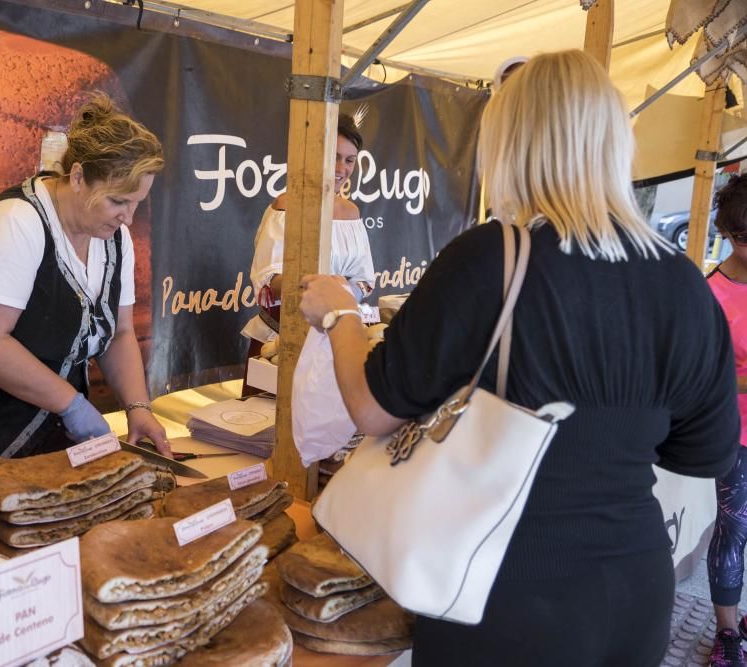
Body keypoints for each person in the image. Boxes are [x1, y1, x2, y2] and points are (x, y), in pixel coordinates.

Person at [299, 50, 740, 666]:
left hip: (501, 592)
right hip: (633, 594)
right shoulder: (684, 283)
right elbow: (707, 453)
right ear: (614, 140)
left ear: (510, 140)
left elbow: (374, 410)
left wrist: (340, 313)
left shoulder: (492, 258)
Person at [0, 93, 171, 458]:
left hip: (47, 431)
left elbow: (119, 332)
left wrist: (138, 408)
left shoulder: (114, 238)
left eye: (137, 202)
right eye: (118, 201)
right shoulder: (17, 222)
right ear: (78, 176)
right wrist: (72, 405)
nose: (129, 217)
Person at [241, 114, 374, 388]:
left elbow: (365, 279)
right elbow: (269, 280)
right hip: (281, 343)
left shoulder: (352, 212)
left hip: (337, 345)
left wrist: (343, 293)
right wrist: (323, 289)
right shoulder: (286, 206)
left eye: (349, 160)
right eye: (333, 157)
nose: (341, 168)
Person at [706, 173, 747, 667]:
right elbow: (701, 379)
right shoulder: (711, 294)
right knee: (734, 529)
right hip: (734, 435)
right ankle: (727, 633)